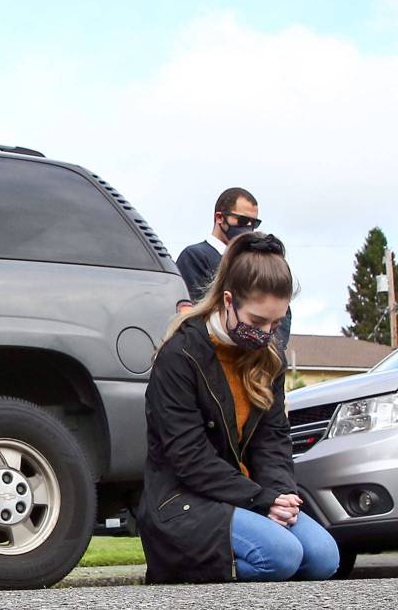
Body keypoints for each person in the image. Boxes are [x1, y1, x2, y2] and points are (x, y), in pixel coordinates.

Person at [138, 232, 339, 584]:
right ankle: (176, 571)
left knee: (323, 557)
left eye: (276, 323)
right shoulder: (180, 357)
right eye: (258, 321)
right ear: (228, 300)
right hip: (186, 500)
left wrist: (279, 495)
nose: (266, 333)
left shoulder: (266, 359)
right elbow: (188, 457)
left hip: (249, 495)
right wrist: (261, 499)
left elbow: (274, 439)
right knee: (282, 555)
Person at [176, 187, 291, 348]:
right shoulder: (195, 256)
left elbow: (282, 313)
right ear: (220, 218)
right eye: (243, 221)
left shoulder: (257, 261)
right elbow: (195, 314)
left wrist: (269, 349)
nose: (248, 227)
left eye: (254, 223)